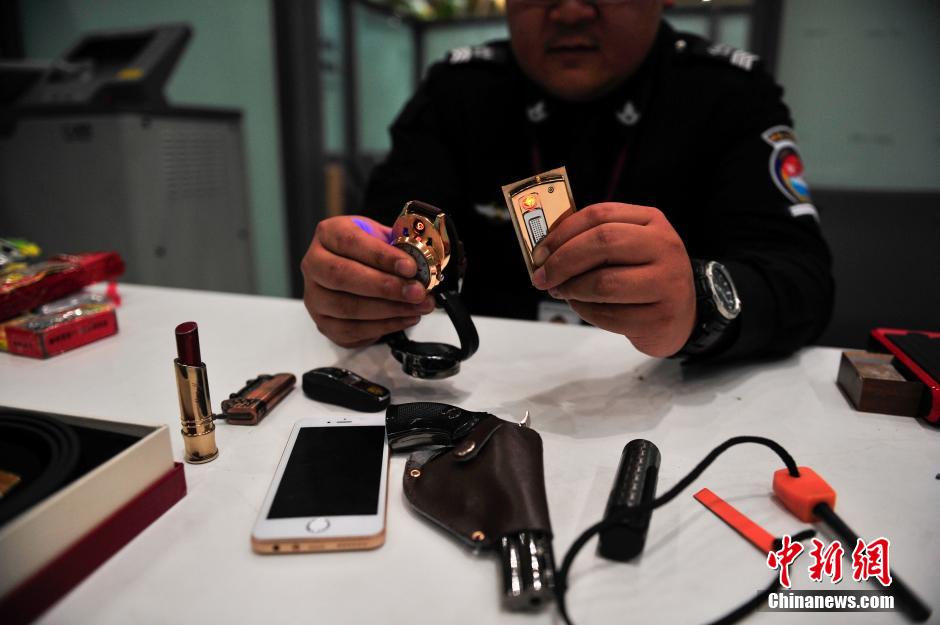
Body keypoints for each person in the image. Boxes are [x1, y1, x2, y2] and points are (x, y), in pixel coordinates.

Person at [300, 0, 833, 360]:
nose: (571, 10)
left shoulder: (729, 93)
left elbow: (802, 280)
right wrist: (356, 278)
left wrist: (700, 302)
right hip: (479, 392)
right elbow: (384, 231)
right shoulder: (457, 91)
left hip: (669, 394)